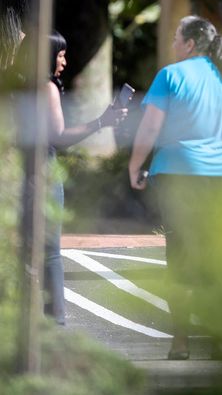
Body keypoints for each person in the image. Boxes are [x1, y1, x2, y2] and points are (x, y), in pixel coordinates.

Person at [128, 16, 222, 360]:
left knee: (181, 259)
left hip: (181, 175)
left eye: (176, 37)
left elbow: (149, 129)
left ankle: (180, 342)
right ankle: (221, 340)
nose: (173, 44)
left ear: (190, 43)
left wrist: (135, 165)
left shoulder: (171, 75)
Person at [46, 31, 128, 324]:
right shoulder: (47, 88)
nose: (65, 62)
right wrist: (101, 122)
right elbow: (58, 137)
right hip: (42, 174)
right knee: (50, 254)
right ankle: (56, 324)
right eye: (60, 55)